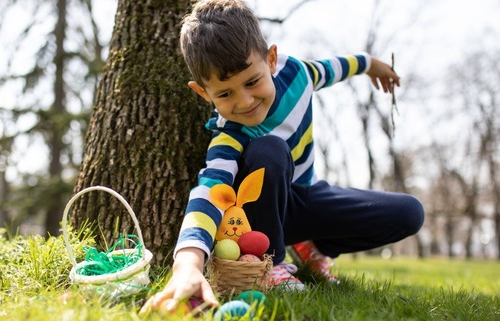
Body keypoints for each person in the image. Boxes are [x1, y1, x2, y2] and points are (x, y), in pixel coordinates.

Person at [142, 0, 424, 313]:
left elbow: (338, 67)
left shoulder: (299, 74)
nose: (245, 101)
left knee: (409, 213)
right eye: (225, 94)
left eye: (252, 82)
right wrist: (187, 264)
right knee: (269, 149)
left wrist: (371, 64)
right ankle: (272, 263)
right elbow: (208, 193)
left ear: (272, 60)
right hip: (258, 221)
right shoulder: (229, 134)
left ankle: (313, 247)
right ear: (204, 93)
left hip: (308, 196)